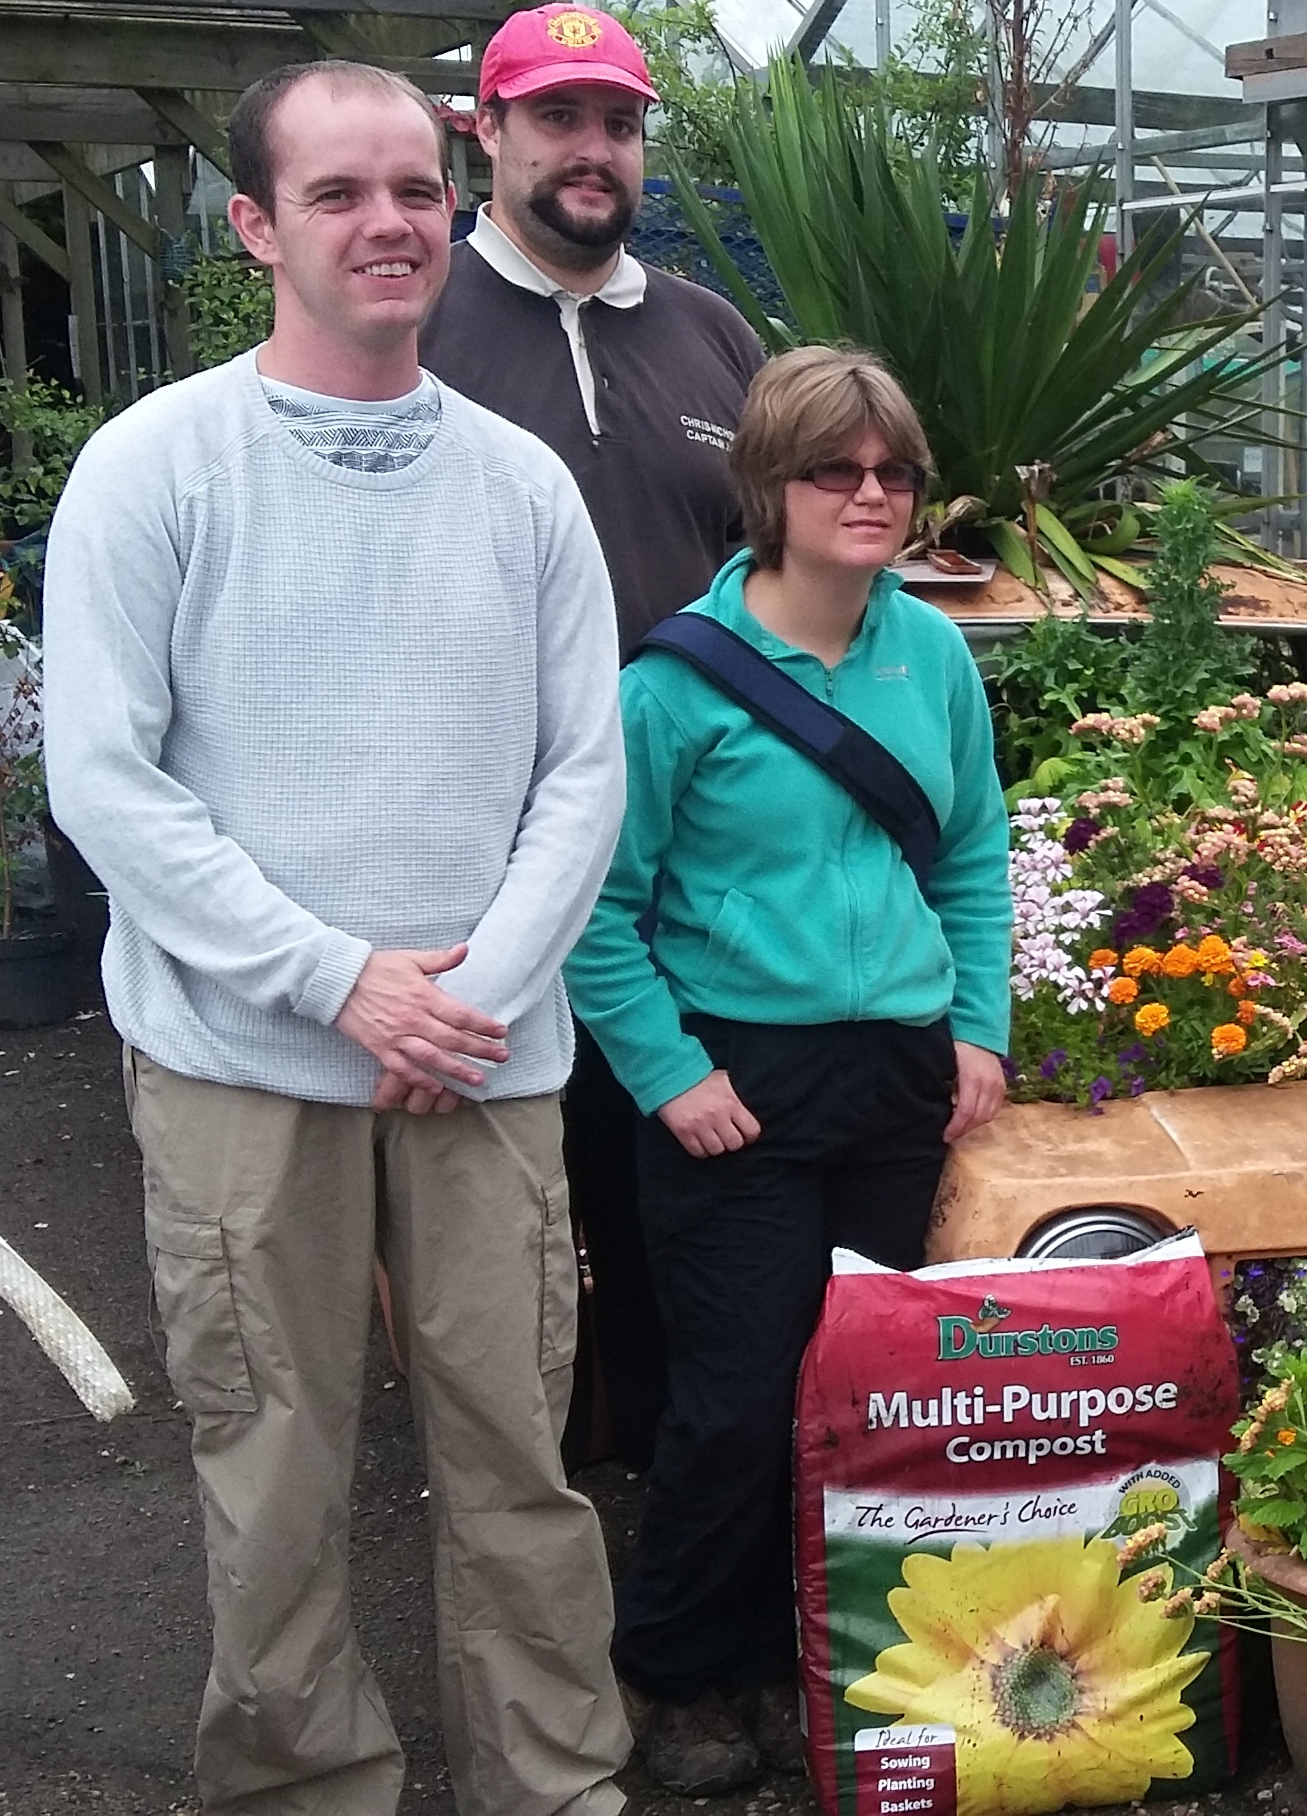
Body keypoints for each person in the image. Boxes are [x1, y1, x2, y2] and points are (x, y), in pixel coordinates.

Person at [42, 60, 631, 1815]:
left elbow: (583, 774)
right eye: (337, 194)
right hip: (249, 1061)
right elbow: (106, 782)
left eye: (413, 189)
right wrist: (340, 981)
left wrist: (478, 998)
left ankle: (554, 1782)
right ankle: (306, 1786)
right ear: (254, 226)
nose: (389, 222)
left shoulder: (521, 489)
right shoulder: (154, 471)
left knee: (521, 1458)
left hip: (487, 1064)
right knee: (275, 1462)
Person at [563, 345, 1012, 1796]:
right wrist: (666, 1073)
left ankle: (824, 1654)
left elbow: (975, 852)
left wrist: (980, 1028)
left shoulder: (929, 653)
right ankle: (685, 1669)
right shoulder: (675, 687)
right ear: (771, 481)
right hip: (735, 1086)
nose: (871, 494)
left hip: (893, 1081)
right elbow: (597, 908)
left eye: (894, 471)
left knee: (861, 1393)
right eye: (838, 467)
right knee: (739, 1393)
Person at [423, 0, 767, 1477]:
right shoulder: (418, 320)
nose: (592, 150)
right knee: (504, 1215)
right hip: (475, 868)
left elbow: (776, 577)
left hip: (687, 864)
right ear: (485, 133)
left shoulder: (711, 334)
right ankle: (536, 1488)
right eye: (557, 117)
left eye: (618, 122)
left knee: (663, 1196)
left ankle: (652, 1507)